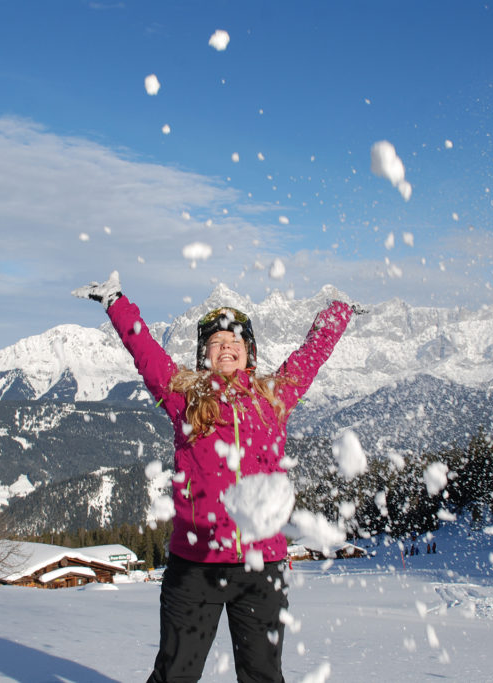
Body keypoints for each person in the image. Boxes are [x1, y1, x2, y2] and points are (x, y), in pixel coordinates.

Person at [73, 271, 358, 683]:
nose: (226, 348)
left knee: (262, 676)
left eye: (235, 342)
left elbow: (310, 356)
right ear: (203, 355)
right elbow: (146, 352)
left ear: (249, 354)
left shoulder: (273, 398)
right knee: (176, 675)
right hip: (195, 564)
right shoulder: (183, 398)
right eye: (216, 343)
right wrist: (115, 301)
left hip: (263, 566)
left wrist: (338, 313)